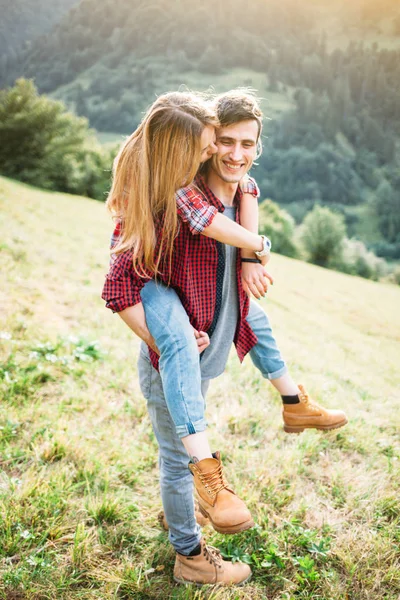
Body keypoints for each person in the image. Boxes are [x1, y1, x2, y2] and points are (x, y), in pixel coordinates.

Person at [102, 90, 348, 586]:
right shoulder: (174, 196)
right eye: (217, 145)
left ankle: (293, 402)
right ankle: (190, 556)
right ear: (197, 150)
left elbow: (245, 203)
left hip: (203, 349)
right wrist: (259, 244)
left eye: (245, 143)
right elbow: (119, 284)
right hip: (173, 353)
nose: (230, 153)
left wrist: (254, 257)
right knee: (178, 460)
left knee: (254, 322)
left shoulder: (242, 190)